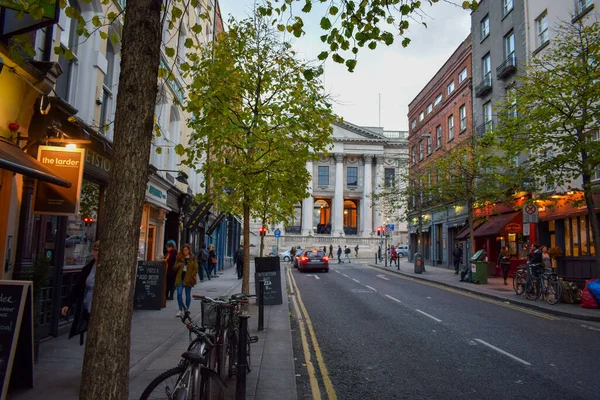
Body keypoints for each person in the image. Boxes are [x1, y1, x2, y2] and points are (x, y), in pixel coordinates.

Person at [61, 241, 100, 345]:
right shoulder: (87, 268)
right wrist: (68, 304)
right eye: (95, 250)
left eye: (100, 251)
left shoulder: (108, 270)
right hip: (87, 305)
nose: (97, 253)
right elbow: (78, 288)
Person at [174, 243, 199, 317]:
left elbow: (196, 268)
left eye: (186, 250)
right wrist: (179, 265)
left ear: (189, 250)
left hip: (188, 279)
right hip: (180, 278)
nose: (185, 251)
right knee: (179, 294)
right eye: (183, 250)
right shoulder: (179, 257)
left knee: (187, 294)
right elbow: (174, 267)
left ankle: (187, 309)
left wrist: (192, 275)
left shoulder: (192, 258)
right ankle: (180, 309)